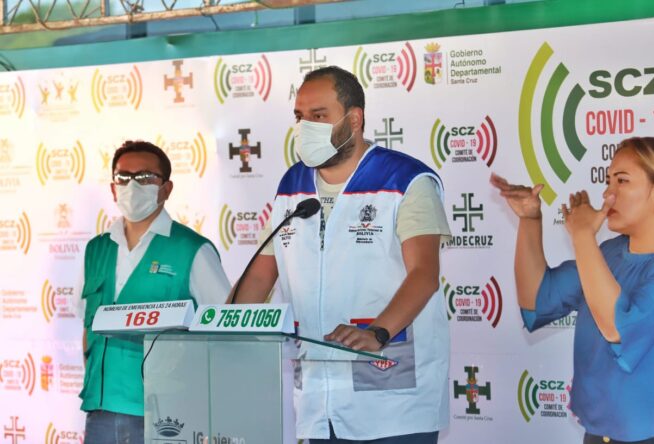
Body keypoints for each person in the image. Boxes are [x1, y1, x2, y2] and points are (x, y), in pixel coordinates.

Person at [227, 66, 451, 443]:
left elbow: (424, 274)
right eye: (300, 117)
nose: (306, 127)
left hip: (394, 400)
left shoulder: (405, 180)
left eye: (319, 116)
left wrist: (378, 331)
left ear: (354, 119)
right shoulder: (292, 186)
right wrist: (224, 327)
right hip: (319, 401)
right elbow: (262, 274)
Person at [491, 136, 654, 443]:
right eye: (608, 180)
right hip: (600, 435)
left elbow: (621, 328)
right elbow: (537, 300)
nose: (608, 193)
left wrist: (584, 235)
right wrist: (530, 220)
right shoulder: (610, 253)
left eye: (622, 181)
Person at [78, 140, 231, 444]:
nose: (133, 185)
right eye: (124, 177)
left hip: (168, 412)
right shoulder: (96, 249)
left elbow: (225, 328)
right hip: (101, 410)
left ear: (166, 188)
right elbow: (87, 329)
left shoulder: (191, 249)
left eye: (146, 177)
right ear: (113, 189)